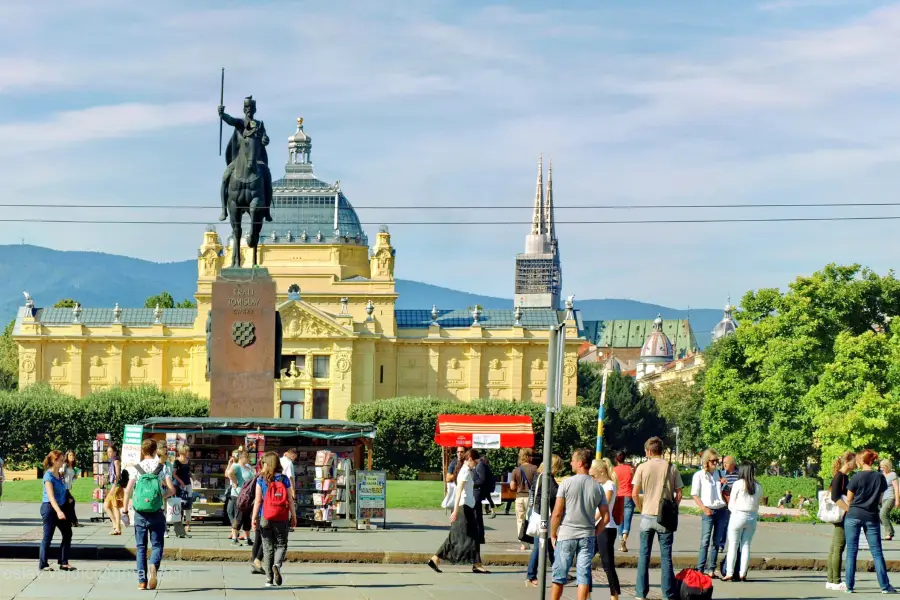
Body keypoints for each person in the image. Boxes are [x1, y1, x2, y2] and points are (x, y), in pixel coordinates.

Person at [550, 449, 609, 600]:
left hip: (567, 534)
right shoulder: (597, 487)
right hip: (587, 535)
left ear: (580, 463)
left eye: (572, 460)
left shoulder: (566, 483)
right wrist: (596, 530)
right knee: (583, 575)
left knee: (559, 575)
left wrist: (553, 533)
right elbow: (606, 517)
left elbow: (557, 512)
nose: (570, 462)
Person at [632, 436, 684, 600]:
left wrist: (642, 509)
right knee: (666, 556)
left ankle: (640, 593)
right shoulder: (671, 468)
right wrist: (673, 507)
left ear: (648, 451)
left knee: (643, 556)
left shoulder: (642, 467)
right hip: (665, 518)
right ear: (661, 450)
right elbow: (679, 493)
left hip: (647, 515)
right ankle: (667, 594)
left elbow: (634, 494)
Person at [123, 438, 176, 591]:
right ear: (155, 451)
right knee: (157, 544)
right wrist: (161, 496)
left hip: (139, 512)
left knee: (140, 548)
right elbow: (172, 490)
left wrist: (125, 511)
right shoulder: (162, 467)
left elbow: (127, 490)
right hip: (157, 512)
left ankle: (142, 581)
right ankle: (153, 564)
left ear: (142, 451)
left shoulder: (136, 468)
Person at [428, 449, 490, 574]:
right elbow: (459, 491)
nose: (476, 464)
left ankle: (475, 563)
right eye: (476, 462)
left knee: (468, 535)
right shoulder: (466, 472)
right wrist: (455, 510)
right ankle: (437, 558)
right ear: (471, 459)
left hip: (466, 507)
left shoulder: (465, 470)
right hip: (463, 508)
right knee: (460, 536)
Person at [844, 449, 897, 594]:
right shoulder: (879, 477)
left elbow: (848, 499)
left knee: (851, 552)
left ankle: (849, 586)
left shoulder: (856, 477)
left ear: (861, 460)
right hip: (871, 516)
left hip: (853, 515)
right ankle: (885, 586)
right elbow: (880, 499)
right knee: (877, 552)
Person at [252, 451, 297, 587]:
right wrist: (293, 516)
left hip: (265, 516)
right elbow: (289, 499)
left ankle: (269, 579)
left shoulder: (261, 479)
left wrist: (254, 518)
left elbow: (258, 500)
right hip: (282, 517)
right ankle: (277, 565)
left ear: (268, 464)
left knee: (267, 548)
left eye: (263, 463)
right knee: (282, 544)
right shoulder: (284, 479)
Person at [526, 454, 564, 587]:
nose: (558, 471)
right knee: (540, 546)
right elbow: (556, 493)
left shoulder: (539, 475)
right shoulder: (547, 478)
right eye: (558, 468)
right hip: (543, 516)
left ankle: (558, 572)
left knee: (550, 545)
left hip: (539, 513)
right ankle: (531, 576)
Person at [722, 461, 762, 582]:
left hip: (738, 515)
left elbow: (731, 502)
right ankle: (742, 573)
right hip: (752, 517)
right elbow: (757, 503)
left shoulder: (738, 484)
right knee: (746, 546)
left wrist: (734, 512)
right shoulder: (758, 486)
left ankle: (729, 573)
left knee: (733, 545)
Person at [692, 448, 727, 577]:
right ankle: (700, 569)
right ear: (706, 461)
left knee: (716, 542)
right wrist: (704, 508)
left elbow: (725, 491)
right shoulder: (699, 475)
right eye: (713, 461)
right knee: (705, 541)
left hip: (721, 510)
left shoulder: (719, 473)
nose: (716, 463)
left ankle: (711, 569)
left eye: (717, 461)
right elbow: (695, 494)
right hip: (708, 510)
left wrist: (724, 484)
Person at [38, 450, 75, 572]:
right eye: (61, 459)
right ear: (54, 461)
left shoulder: (60, 475)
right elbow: (51, 496)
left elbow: (63, 490)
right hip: (49, 508)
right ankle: (43, 564)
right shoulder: (48, 476)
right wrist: (59, 511)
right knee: (48, 537)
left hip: (60, 507)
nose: (63, 461)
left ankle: (63, 562)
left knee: (67, 533)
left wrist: (68, 498)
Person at [590, 459, 620, 600]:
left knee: (607, 564)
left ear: (602, 471)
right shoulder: (601, 484)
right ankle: (586, 592)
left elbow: (605, 507)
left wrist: (591, 520)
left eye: (594, 476)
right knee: (585, 560)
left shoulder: (609, 485)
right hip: (598, 526)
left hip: (606, 528)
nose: (593, 479)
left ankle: (614, 595)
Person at [826, 451, 856, 592]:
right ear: (848, 462)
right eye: (854, 460)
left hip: (840, 514)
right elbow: (835, 497)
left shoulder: (842, 476)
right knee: (838, 548)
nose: (856, 463)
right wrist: (849, 510)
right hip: (841, 515)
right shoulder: (841, 476)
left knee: (834, 548)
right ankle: (835, 581)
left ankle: (831, 580)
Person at [510, 448, 537, 551]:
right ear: (528, 457)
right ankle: (534, 540)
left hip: (520, 498)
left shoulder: (516, 470)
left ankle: (524, 543)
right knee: (532, 519)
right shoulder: (535, 469)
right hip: (531, 498)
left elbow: (512, 487)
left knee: (520, 520)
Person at [226, 451, 255, 545]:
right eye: (246, 457)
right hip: (238, 495)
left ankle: (247, 537)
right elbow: (229, 473)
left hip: (248, 495)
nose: (248, 459)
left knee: (247, 517)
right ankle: (234, 537)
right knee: (239, 516)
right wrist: (234, 482)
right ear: (241, 458)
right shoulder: (236, 466)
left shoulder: (248, 467)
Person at [612, 451, 635, 553]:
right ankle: (624, 541)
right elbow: (634, 482)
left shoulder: (613, 470)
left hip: (618, 496)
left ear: (616, 459)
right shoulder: (630, 469)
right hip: (629, 495)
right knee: (628, 520)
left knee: (619, 520)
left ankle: (621, 540)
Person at [172, 445, 193, 536]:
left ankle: (188, 524)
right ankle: (179, 524)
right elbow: (174, 474)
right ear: (183, 452)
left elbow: (188, 472)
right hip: (179, 486)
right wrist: (180, 481)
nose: (188, 453)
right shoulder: (176, 462)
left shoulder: (188, 461)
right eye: (187, 451)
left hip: (188, 484)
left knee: (188, 504)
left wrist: (192, 476)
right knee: (179, 504)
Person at [104, 445, 124, 535]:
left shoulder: (116, 461)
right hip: (113, 485)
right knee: (106, 506)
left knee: (115, 507)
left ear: (115, 452)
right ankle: (115, 524)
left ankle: (118, 528)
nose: (109, 453)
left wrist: (114, 486)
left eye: (111, 452)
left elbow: (118, 475)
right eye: (108, 452)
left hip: (116, 486)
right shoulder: (111, 461)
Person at [880, 459, 900, 541]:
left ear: (888, 466)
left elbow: (896, 488)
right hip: (884, 498)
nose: (882, 469)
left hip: (891, 497)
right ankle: (891, 532)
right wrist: (880, 498)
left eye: (883, 467)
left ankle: (889, 533)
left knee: (882, 514)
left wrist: (897, 500)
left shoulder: (892, 474)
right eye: (881, 467)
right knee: (885, 515)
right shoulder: (881, 475)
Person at [61, 450, 81, 527]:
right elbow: (61, 475)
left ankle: (71, 522)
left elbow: (71, 479)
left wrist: (75, 477)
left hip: (67, 488)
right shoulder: (64, 465)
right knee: (71, 502)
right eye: (70, 455)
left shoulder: (72, 466)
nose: (72, 457)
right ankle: (74, 522)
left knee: (69, 504)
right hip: (63, 488)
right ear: (67, 456)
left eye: (73, 455)